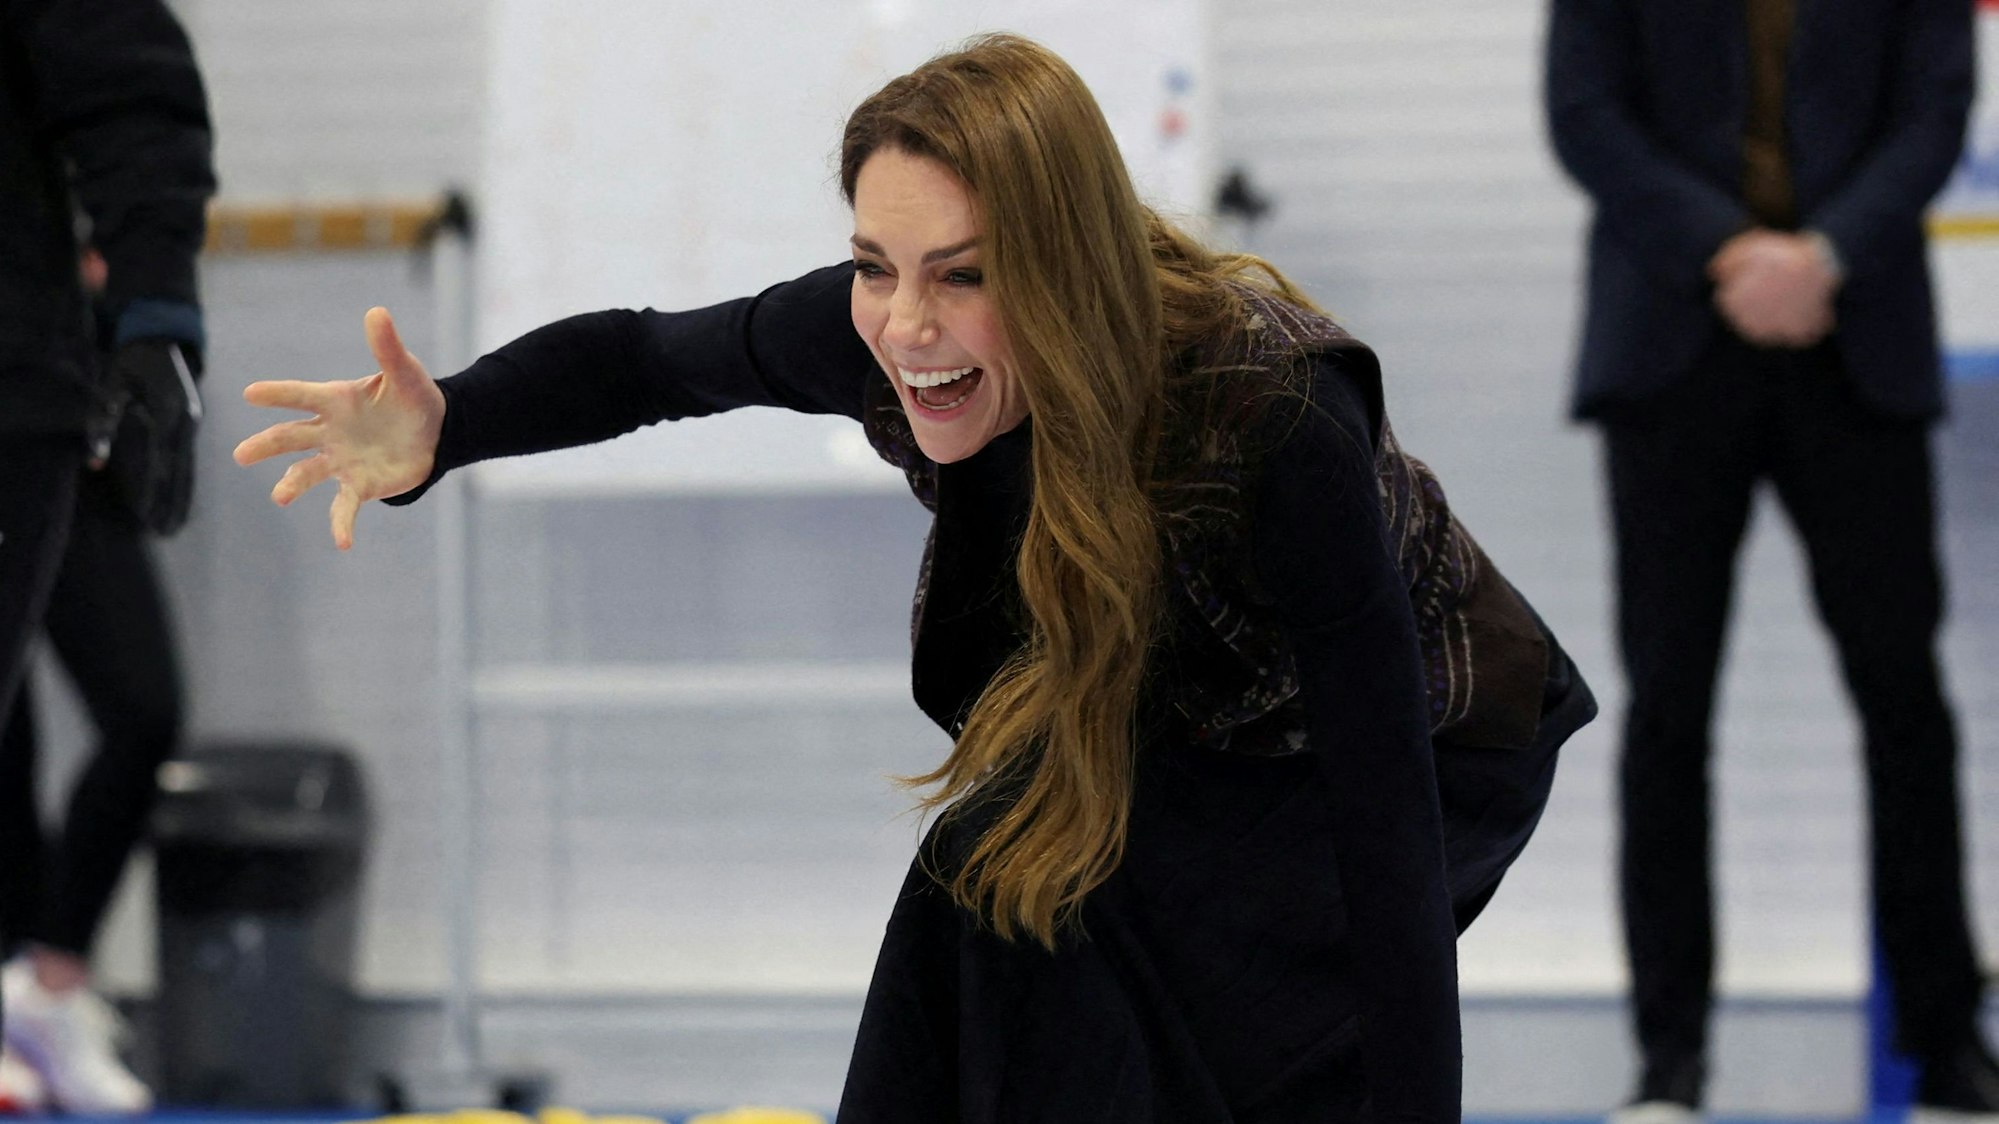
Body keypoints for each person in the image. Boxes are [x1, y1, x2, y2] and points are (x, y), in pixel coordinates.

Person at [238, 35, 1593, 1122]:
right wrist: (444, 428)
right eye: (875, 267)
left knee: (1129, 944)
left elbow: (1383, 830)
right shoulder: (880, 332)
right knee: (986, 873)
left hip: (1424, 738)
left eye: (959, 276)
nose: (906, 329)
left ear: (1060, 269)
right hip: (1196, 704)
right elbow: (643, 360)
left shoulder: (1271, 416)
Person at [1544, 0, 1995, 1117]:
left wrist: (1824, 254)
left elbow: (1934, 114)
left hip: (1859, 344)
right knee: (1665, 707)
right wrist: (1729, 250)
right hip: (1669, 345)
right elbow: (1585, 114)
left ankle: (1945, 1045)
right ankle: (1669, 1062)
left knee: (1904, 700)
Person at [0, 0, 213, 1115]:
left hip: (32, 408)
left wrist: (155, 316)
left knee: (143, 708)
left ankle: (46, 978)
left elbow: (134, 94)